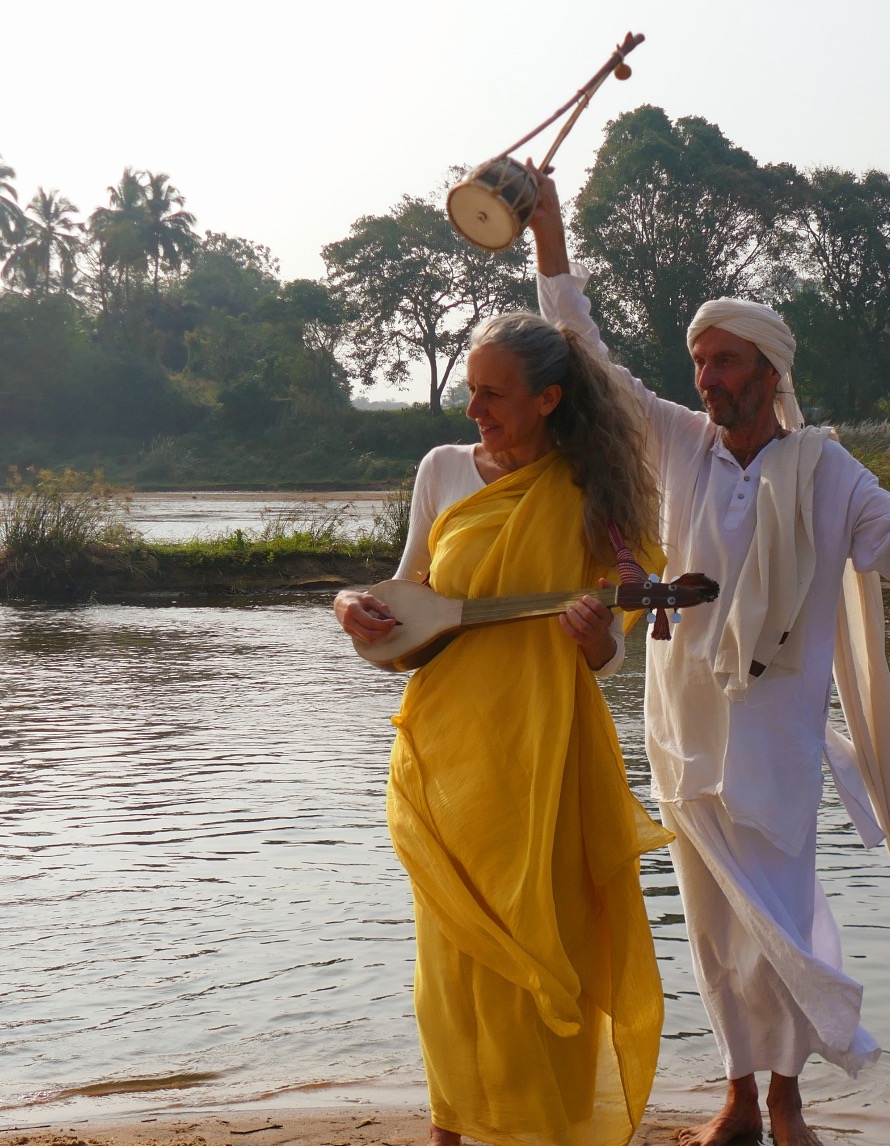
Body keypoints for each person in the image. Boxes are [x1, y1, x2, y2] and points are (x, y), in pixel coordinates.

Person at [523, 170, 890, 1146]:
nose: (707, 379)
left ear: (769, 371)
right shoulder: (677, 445)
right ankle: (740, 1093)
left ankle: (788, 1099)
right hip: (684, 727)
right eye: (700, 363)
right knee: (711, 922)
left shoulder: (826, 469)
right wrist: (548, 236)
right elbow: (585, 354)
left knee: (777, 917)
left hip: (776, 736)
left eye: (725, 362)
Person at [333, 311, 672, 1146]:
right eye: (471, 390)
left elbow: (612, 647)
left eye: (493, 393)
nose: (473, 408)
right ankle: (450, 1130)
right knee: (451, 951)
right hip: (446, 747)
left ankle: (549, 1128)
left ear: (548, 398)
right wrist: (350, 606)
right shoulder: (443, 469)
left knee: (547, 940)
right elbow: (406, 596)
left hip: (544, 751)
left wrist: (596, 640)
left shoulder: (594, 491)